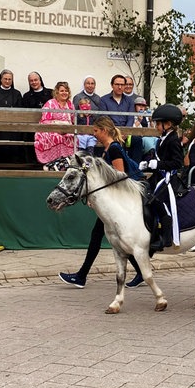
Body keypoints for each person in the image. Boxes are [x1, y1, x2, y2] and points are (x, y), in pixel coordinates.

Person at [58, 116, 144, 289]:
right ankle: (141, 272)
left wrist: (101, 197)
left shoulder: (114, 150)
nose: (94, 134)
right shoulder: (108, 149)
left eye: (96, 131)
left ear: (104, 130)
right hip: (116, 202)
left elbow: (120, 178)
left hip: (120, 202)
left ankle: (81, 276)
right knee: (101, 236)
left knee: (102, 236)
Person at [139, 104, 185, 252]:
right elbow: (158, 160)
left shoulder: (173, 140)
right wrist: (147, 165)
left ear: (168, 124)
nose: (156, 126)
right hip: (159, 176)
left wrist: (158, 164)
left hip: (169, 179)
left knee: (158, 201)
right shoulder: (162, 139)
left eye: (158, 123)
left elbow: (178, 163)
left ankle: (166, 237)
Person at [35, 81, 75, 165]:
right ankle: (53, 163)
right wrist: (57, 128)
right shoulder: (50, 103)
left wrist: (66, 129)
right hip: (50, 129)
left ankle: (65, 163)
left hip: (66, 130)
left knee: (71, 137)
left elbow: (72, 121)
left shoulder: (70, 105)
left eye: (66, 91)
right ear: (57, 92)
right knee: (56, 137)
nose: (64, 93)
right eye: (62, 91)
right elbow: (45, 121)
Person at [73, 76, 101, 153]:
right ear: (84, 85)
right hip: (81, 131)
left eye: (92, 83)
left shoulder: (98, 98)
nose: (90, 85)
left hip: (92, 129)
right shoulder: (78, 97)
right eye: (88, 83)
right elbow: (74, 113)